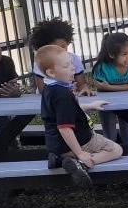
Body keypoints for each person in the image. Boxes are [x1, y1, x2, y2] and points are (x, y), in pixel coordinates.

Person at [35, 44, 122, 187]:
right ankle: (81, 163)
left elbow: (65, 111)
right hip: (80, 140)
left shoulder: (49, 89)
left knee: (73, 150)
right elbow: (65, 128)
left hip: (56, 146)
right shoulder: (62, 94)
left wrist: (90, 105)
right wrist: (80, 153)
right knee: (116, 150)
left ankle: (61, 159)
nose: (72, 68)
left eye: (71, 63)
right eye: (66, 66)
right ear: (51, 72)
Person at [92, 33, 128, 145]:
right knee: (109, 133)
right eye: (124, 54)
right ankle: (110, 151)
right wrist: (121, 87)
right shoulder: (102, 67)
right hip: (106, 103)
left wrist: (109, 87)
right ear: (111, 54)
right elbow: (100, 86)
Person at [29, 18, 93, 95]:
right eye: (57, 47)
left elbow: (81, 84)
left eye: (64, 46)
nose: (62, 50)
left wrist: (84, 89)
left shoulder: (74, 59)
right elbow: (42, 90)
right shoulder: (42, 61)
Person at [0, 32, 22, 134]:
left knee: (4, 120)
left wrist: (15, 91)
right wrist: (3, 91)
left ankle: (9, 144)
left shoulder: (7, 61)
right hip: (0, 103)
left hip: (2, 105)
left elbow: (15, 87)